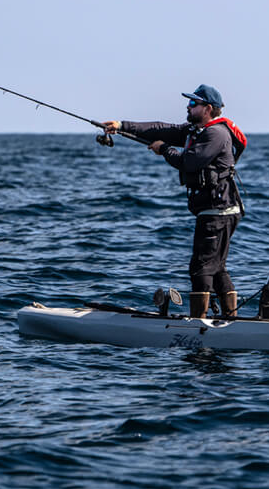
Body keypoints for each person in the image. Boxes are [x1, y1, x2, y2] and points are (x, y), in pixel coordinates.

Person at [102, 84, 247, 320]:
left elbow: (189, 162)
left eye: (193, 104)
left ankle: (199, 325)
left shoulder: (215, 134)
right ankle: (231, 321)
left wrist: (165, 150)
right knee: (216, 267)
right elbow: (161, 129)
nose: (187, 107)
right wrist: (121, 126)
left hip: (218, 212)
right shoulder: (196, 131)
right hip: (216, 210)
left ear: (207, 109)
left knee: (201, 267)